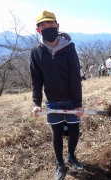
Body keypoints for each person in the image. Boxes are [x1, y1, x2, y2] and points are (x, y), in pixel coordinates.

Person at [30, 10, 84, 180]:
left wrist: (78, 103)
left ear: (57, 26)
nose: (48, 28)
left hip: (70, 99)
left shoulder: (69, 47)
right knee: (57, 132)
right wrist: (37, 102)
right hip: (52, 101)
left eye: (51, 24)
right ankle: (60, 163)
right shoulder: (36, 51)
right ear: (38, 30)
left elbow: (75, 76)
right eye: (43, 25)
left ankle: (71, 156)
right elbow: (36, 80)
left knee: (74, 130)